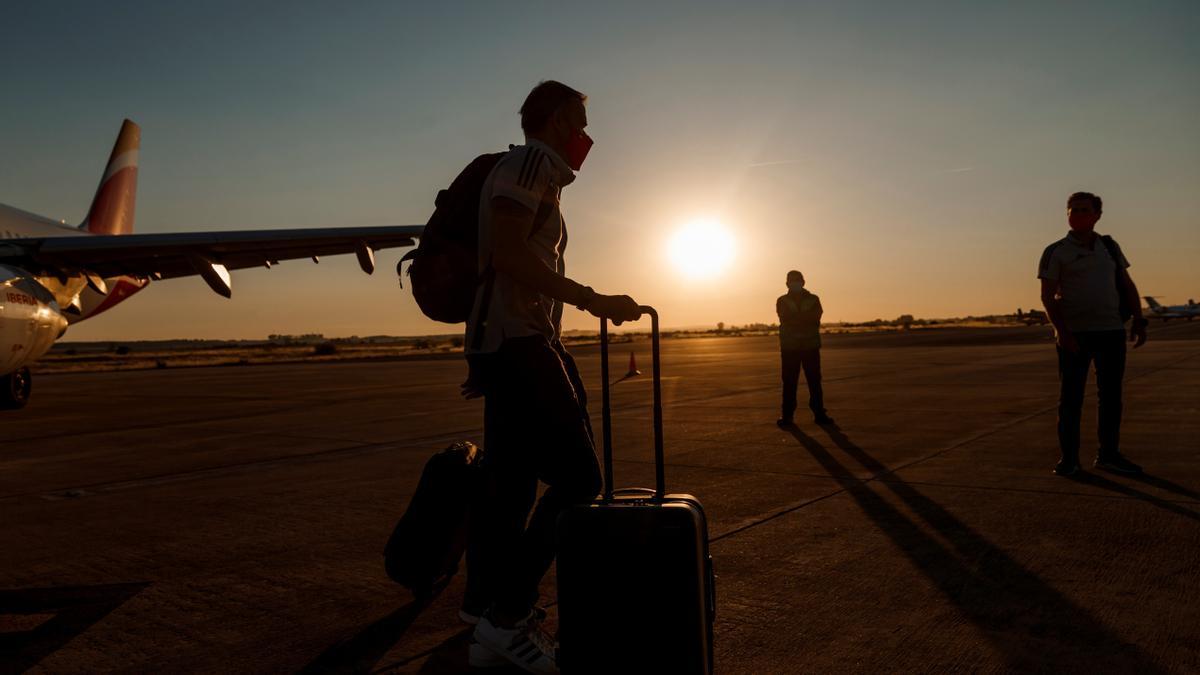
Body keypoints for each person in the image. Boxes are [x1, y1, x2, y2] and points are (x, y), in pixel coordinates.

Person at [461, 80, 641, 674]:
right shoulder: (532, 160)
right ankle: (506, 617)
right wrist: (593, 299)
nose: (586, 136)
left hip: (507, 343)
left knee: (511, 484)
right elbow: (510, 254)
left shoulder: (529, 169)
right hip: (520, 343)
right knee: (579, 478)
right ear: (561, 117)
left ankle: (489, 620)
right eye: (581, 120)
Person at [1038, 191, 1148, 477]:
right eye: (1072, 210)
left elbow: (1126, 283)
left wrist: (1139, 318)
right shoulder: (1056, 251)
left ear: (1097, 215)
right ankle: (1069, 460)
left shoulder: (1109, 247)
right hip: (1075, 335)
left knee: (1111, 397)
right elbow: (1047, 297)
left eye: (1084, 210)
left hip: (1111, 331)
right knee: (1071, 399)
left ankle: (1109, 455)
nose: (1077, 215)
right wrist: (1062, 332)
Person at [776, 270, 832, 427]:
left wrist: (797, 319)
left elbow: (815, 317)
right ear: (787, 284)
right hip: (790, 348)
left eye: (797, 280)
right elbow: (785, 318)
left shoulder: (814, 299)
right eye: (792, 281)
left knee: (814, 382)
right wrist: (804, 319)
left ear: (803, 282)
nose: (795, 283)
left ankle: (819, 413)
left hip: (810, 347)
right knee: (789, 383)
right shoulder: (782, 300)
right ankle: (787, 416)